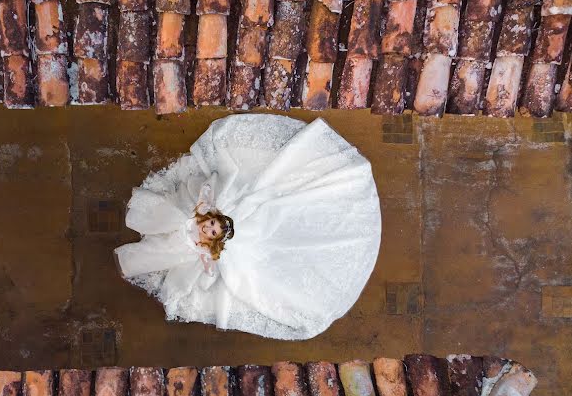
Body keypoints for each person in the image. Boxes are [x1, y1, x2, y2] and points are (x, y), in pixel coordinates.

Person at [114, 114, 381, 340]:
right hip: (237, 223)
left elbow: (211, 267)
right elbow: (206, 194)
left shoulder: (212, 244)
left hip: (250, 235)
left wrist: (208, 257)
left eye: (211, 231)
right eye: (211, 227)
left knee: (270, 246)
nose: (208, 229)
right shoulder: (207, 212)